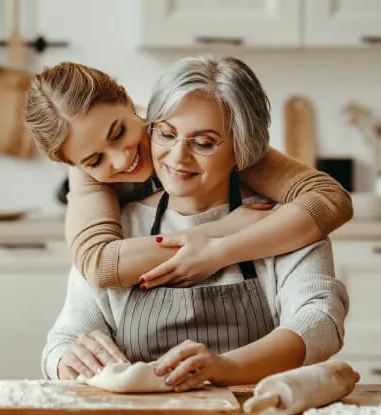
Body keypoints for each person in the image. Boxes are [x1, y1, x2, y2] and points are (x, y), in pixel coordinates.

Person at [42, 56, 348, 391]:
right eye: (167, 135)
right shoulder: (117, 230)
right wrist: (65, 360)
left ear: (243, 149)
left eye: (203, 143)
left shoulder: (282, 223)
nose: (177, 157)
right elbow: (64, 338)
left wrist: (226, 367)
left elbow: (320, 322)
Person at [26, 61, 353, 290]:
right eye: (96, 159)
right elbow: (100, 265)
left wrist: (224, 251)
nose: (122, 158)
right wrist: (222, 229)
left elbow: (329, 200)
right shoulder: (83, 172)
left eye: (118, 132)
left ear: (126, 99)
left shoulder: (184, 130)